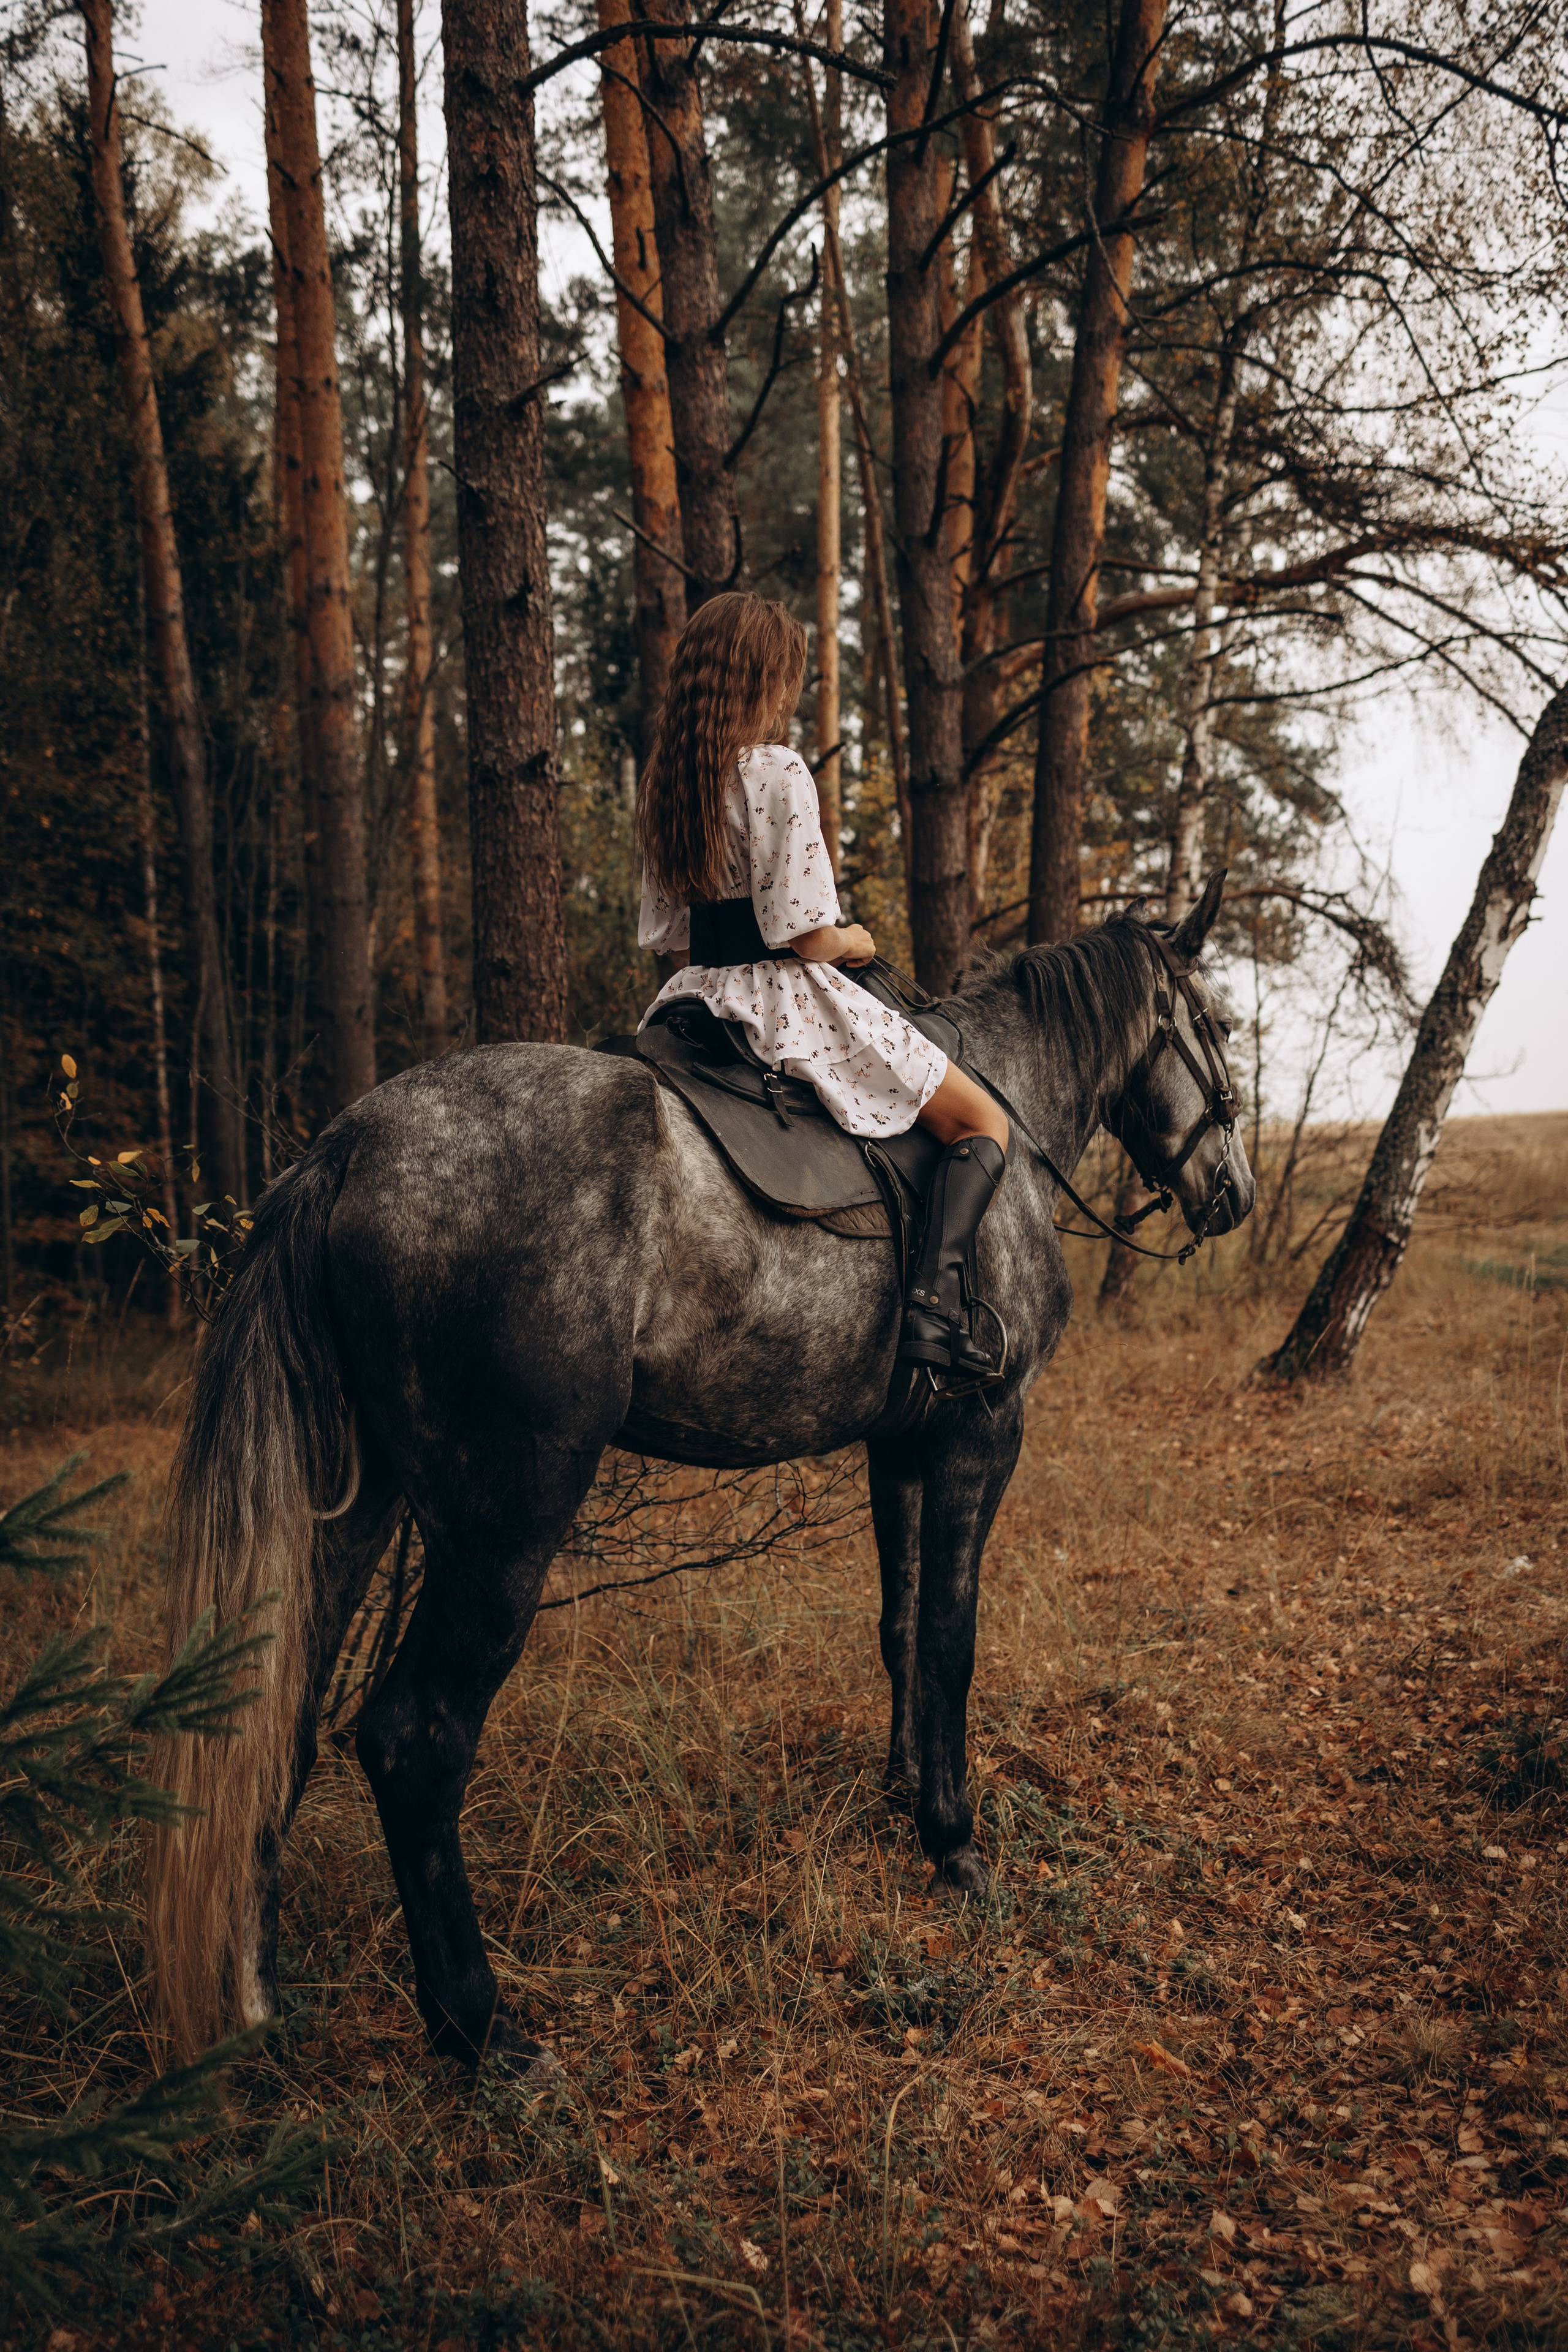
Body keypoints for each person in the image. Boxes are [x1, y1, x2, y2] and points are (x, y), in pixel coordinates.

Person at [636, 591, 1009, 1377]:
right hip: (783, 997)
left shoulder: (668, 785)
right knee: (981, 1120)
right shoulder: (774, 770)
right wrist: (854, 938)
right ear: (763, 678)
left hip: (694, 994)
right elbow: (802, 935)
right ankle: (933, 1312)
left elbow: (672, 938)